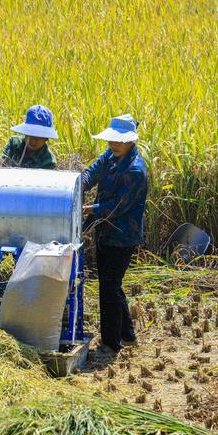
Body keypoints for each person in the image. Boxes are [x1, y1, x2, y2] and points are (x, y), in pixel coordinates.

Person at [81, 114, 148, 355]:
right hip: (104, 231)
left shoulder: (135, 170)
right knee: (111, 285)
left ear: (131, 141)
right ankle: (127, 335)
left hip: (122, 236)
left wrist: (93, 209)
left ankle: (111, 343)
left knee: (109, 287)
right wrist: (78, 185)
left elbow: (120, 207)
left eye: (119, 141)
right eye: (111, 140)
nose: (113, 144)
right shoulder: (111, 155)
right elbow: (93, 172)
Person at [1, 105, 57, 169]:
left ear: (46, 139)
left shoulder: (48, 161)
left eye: (38, 138)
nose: (32, 141)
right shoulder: (13, 144)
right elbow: (3, 168)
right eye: (30, 135)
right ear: (25, 133)